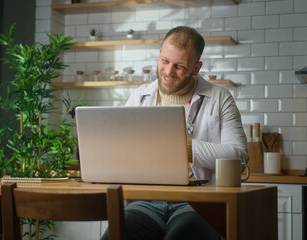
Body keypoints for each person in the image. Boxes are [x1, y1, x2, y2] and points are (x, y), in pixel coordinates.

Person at [102, 26, 248, 240]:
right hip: (146, 201)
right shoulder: (140, 96)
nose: (169, 71)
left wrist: (183, 147)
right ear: (160, 54)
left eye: (179, 66)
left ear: (196, 68)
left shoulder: (220, 97)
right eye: (165, 61)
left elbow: (239, 155)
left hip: (196, 202)